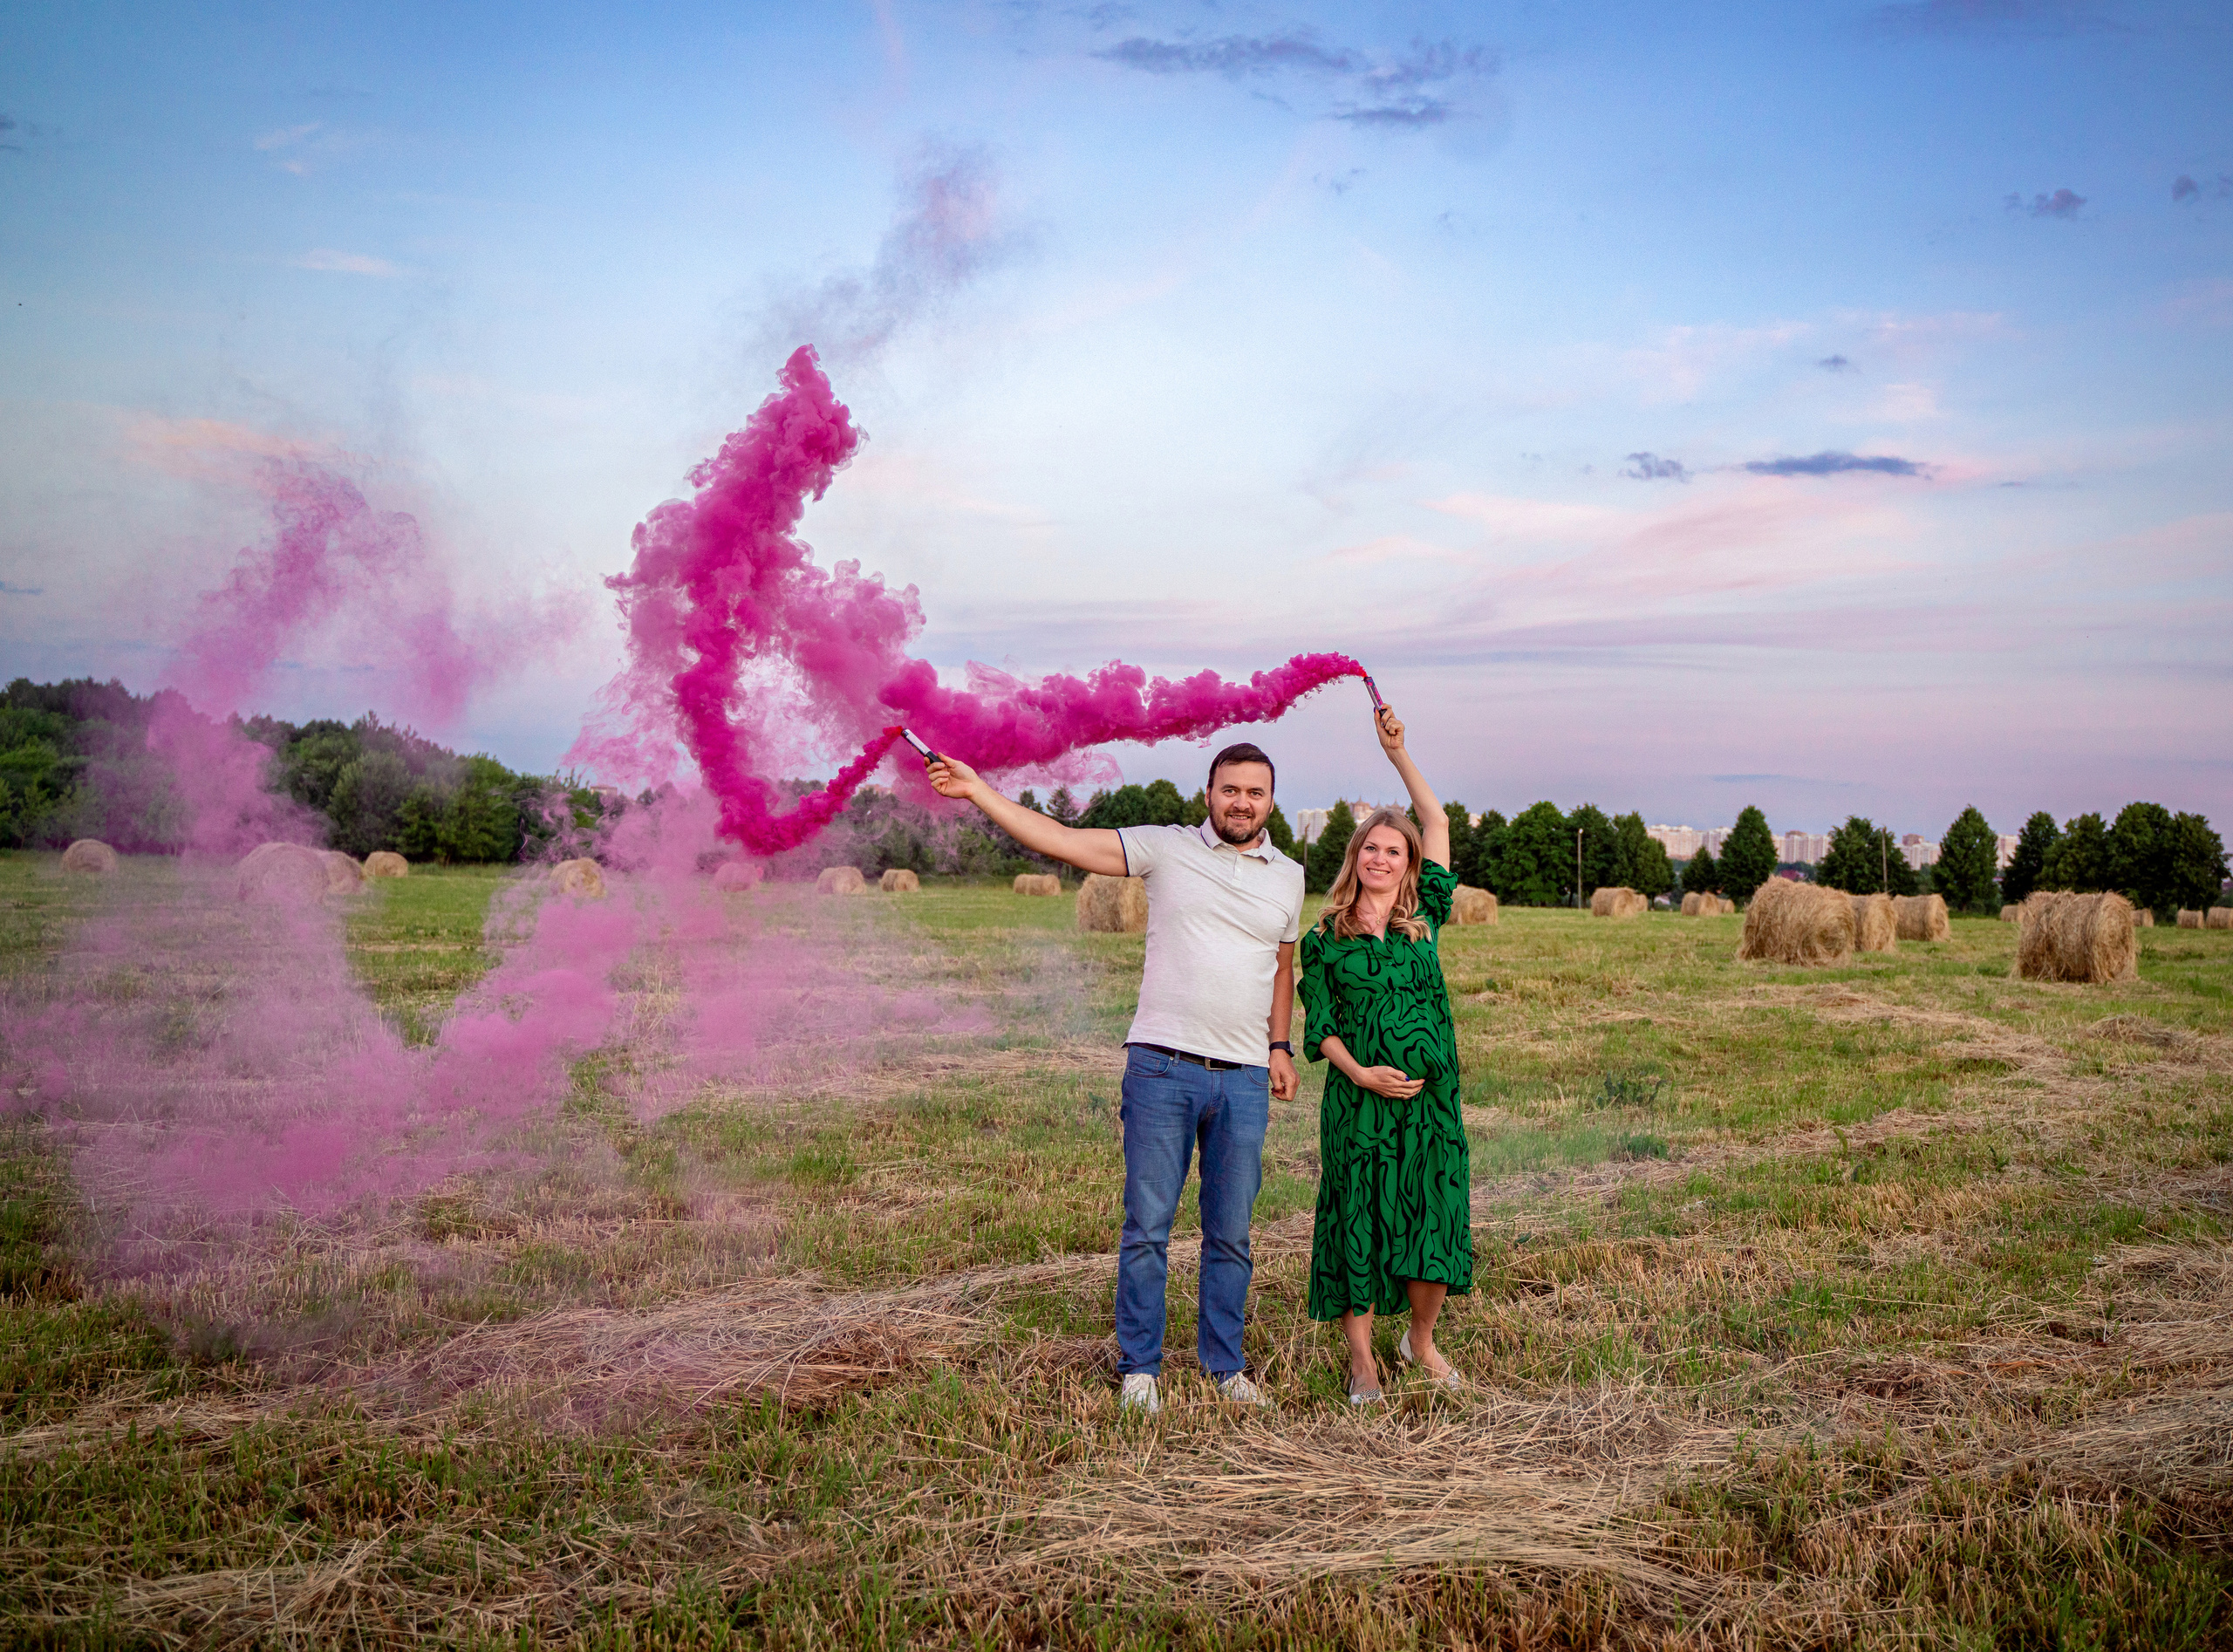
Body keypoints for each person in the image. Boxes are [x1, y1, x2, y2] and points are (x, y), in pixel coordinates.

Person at [925, 741, 1305, 1415]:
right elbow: (1063, 840)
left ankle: (1225, 1367)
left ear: (1271, 800)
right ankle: (1140, 1370)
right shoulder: (1166, 847)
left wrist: (1280, 1046)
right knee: (1148, 1227)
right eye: (1230, 789)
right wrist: (978, 790)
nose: (1241, 802)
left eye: (1255, 792)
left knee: (1231, 1234)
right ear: (1208, 794)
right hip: (1162, 1067)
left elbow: (1281, 967)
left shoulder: (1289, 876)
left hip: (1245, 1078)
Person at [1299, 701, 1471, 1402]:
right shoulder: (1324, 938)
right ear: (1355, 858)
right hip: (1358, 1105)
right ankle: (1363, 1360)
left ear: (1409, 864)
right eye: (1370, 848)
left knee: (1435, 1215)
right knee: (1359, 1221)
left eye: (1393, 851)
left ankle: (1419, 1341)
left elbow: (1439, 821)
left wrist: (1397, 753)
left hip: (1431, 1105)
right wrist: (1361, 1074)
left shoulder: (1425, 917)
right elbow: (1321, 1027)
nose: (1380, 858)